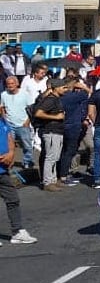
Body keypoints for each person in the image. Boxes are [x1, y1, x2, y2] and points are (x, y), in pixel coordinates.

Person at [0, 110, 36, 245]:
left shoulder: (3, 121)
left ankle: (17, 232)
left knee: (12, 199)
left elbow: (10, 138)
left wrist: (11, 153)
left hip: (3, 170)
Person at [34, 78, 68, 192]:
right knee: (50, 157)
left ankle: (53, 180)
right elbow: (38, 113)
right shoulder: (50, 100)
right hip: (51, 132)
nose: (66, 89)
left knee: (55, 157)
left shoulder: (57, 99)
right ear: (56, 88)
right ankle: (47, 182)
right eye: (64, 87)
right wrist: (56, 117)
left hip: (57, 131)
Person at [58, 78, 91, 186]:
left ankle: (61, 173)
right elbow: (90, 93)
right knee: (70, 151)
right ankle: (64, 176)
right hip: (73, 126)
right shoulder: (76, 96)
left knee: (63, 150)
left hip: (63, 125)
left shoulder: (62, 96)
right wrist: (84, 87)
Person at [1, 76, 34, 171]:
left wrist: (27, 121)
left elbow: (31, 109)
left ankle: (27, 162)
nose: (10, 86)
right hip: (9, 124)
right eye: (8, 84)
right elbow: (2, 107)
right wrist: (5, 119)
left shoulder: (25, 94)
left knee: (26, 145)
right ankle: (9, 163)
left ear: (17, 84)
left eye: (12, 83)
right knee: (9, 145)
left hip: (23, 124)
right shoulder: (4, 94)